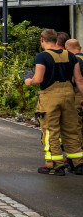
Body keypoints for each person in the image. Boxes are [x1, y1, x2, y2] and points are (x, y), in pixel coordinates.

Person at [24, 29, 83, 175]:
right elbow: (79, 79)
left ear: (42, 40)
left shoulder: (42, 57)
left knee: (50, 131)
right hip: (69, 95)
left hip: (50, 97)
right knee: (71, 130)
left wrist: (28, 81)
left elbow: (38, 79)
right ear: (57, 40)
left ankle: (55, 165)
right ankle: (78, 164)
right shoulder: (70, 55)